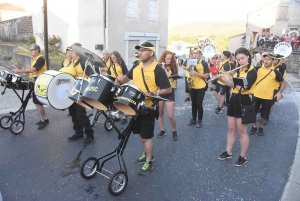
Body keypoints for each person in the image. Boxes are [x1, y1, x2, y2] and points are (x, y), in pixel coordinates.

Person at [116, 42, 172, 175]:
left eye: (143, 50)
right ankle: (146, 152)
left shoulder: (157, 69)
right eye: (139, 50)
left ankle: (149, 160)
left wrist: (153, 94)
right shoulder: (136, 65)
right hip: (135, 106)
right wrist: (120, 79)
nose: (140, 52)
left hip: (148, 107)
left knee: (146, 137)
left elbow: (168, 89)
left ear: (151, 53)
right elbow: (126, 78)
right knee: (141, 135)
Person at [217, 47, 257, 166]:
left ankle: (243, 156)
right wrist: (222, 79)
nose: (240, 62)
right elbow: (232, 86)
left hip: (245, 101)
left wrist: (230, 78)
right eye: (239, 59)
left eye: (242, 58)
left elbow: (242, 87)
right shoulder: (238, 70)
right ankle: (228, 152)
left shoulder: (252, 72)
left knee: (242, 131)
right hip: (234, 99)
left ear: (248, 56)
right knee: (231, 129)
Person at [59, 43, 95, 145]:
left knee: (81, 115)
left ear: (79, 51)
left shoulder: (83, 62)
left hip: (80, 91)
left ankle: (90, 135)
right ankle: (78, 132)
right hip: (71, 91)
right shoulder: (71, 62)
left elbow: (93, 76)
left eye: (73, 50)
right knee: (73, 113)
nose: (70, 52)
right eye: (70, 50)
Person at [12, 44, 49, 129]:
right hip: (36, 82)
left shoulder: (41, 58)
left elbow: (33, 70)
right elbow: (33, 69)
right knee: (38, 103)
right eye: (30, 50)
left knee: (37, 103)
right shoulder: (35, 59)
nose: (30, 51)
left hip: (40, 83)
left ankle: (42, 121)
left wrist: (19, 71)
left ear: (37, 50)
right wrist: (25, 69)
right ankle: (44, 119)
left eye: (32, 50)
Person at [249, 53, 286, 136]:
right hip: (256, 95)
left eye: (268, 59)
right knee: (252, 113)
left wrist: (280, 92)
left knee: (264, 115)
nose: (266, 61)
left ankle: (261, 127)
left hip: (268, 97)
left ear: (272, 61)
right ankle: (254, 126)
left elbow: (283, 84)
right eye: (265, 59)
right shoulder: (257, 69)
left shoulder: (276, 72)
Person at [156, 50, 178, 141]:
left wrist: (164, 68)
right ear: (163, 58)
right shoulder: (158, 66)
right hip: (160, 91)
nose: (169, 60)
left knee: (170, 115)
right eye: (167, 58)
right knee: (160, 113)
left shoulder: (173, 68)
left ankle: (174, 131)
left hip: (169, 91)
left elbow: (171, 78)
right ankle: (162, 130)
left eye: (170, 59)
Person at [187, 47, 209, 128]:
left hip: (201, 86)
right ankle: (193, 118)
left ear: (200, 54)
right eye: (193, 53)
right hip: (193, 86)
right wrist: (190, 74)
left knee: (199, 104)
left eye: (196, 53)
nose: (195, 55)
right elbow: (189, 71)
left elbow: (206, 76)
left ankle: (200, 120)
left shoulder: (204, 63)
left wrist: (196, 73)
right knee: (193, 103)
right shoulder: (191, 62)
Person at [107, 51, 129, 125]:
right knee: (115, 101)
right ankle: (117, 116)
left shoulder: (122, 65)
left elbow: (127, 75)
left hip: (121, 85)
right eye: (111, 58)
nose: (113, 59)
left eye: (114, 57)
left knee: (122, 101)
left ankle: (125, 117)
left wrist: (121, 82)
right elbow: (108, 74)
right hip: (114, 85)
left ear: (117, 57)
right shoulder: (112, 66)